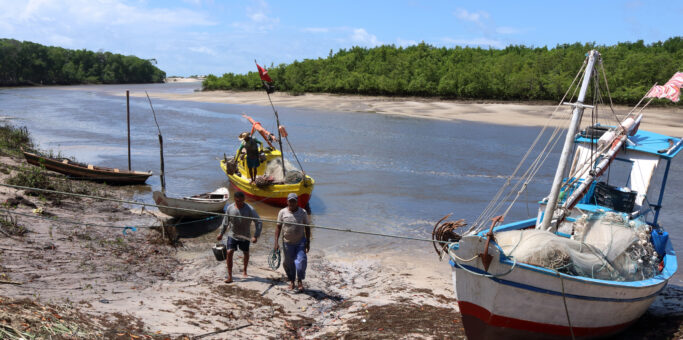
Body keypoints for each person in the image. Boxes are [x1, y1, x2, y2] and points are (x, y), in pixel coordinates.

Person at [216, 191, 262, 283]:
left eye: (241, 201)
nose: (240, 203)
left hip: (245, 236)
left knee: (245, 253)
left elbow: (259, 222)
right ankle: (230, 276)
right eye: (238, 201)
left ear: (244, 200)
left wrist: (256, 236)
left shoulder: (250, 209)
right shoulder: (230, 208)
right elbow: (225, 223)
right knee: (229, 252)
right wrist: (221, 234)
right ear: (235, 200)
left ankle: (245, 270)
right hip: (233, 234)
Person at [274, 193, 310, 291]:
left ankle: (300, 281)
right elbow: (278, 227)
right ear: (287, 202)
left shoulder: (303, 212)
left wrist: (308, 242)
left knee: (301, 261)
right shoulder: (282, 212)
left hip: (300, 242)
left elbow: (307, 227)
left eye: (294, 201)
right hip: (287, 242)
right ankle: (292, 281)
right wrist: (276, 243)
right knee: (289, 263)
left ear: (297, 202)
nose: (292, 203)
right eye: (290, 201)